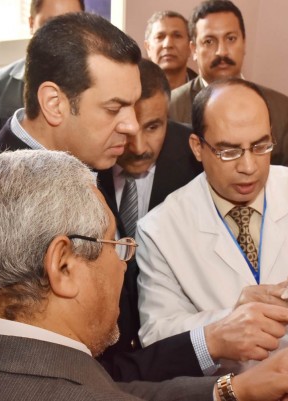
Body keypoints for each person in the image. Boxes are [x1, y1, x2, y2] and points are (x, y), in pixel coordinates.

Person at [0, 12, 288, 383]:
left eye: (134, 106)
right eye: (114, 108)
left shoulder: (85, 151)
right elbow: (83, 378)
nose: (131, 127)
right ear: (55, 103)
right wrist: (225, 379)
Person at [0, 149, 288, 401]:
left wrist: (232, 390)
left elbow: (111, 388)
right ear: (63, 266)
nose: (125, 260)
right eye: (114, 244)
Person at [137, 78, 288, 372]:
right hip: (227, 385)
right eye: (229, 151)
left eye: (261, 146)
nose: (248, 167)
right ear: (198, 147)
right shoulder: (159, 230)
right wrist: (226, 322)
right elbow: (157, 335)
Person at [96, 58, 202, 362]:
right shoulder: (85, 162)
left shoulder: (197, 160)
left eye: (153, 126)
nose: (139, 146)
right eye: (127, 130)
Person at [168, 0, 288, 170]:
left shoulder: (280, 106)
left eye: (231, 39)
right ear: (194, 50)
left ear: (244, 43)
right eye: (209, 41)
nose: (222, 51)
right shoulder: (172, 106)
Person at [0, 0, 84, 155]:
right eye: (51, 24)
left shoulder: (100, 86)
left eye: (72, 24)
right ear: (32, 24)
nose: (63, 36)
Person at [144, 11, 197, 90]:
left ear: (190, 47)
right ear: (148, 47)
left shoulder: (206, 93)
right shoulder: (132, 90)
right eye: (159, 37)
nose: (168, 44)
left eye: (177, 36)